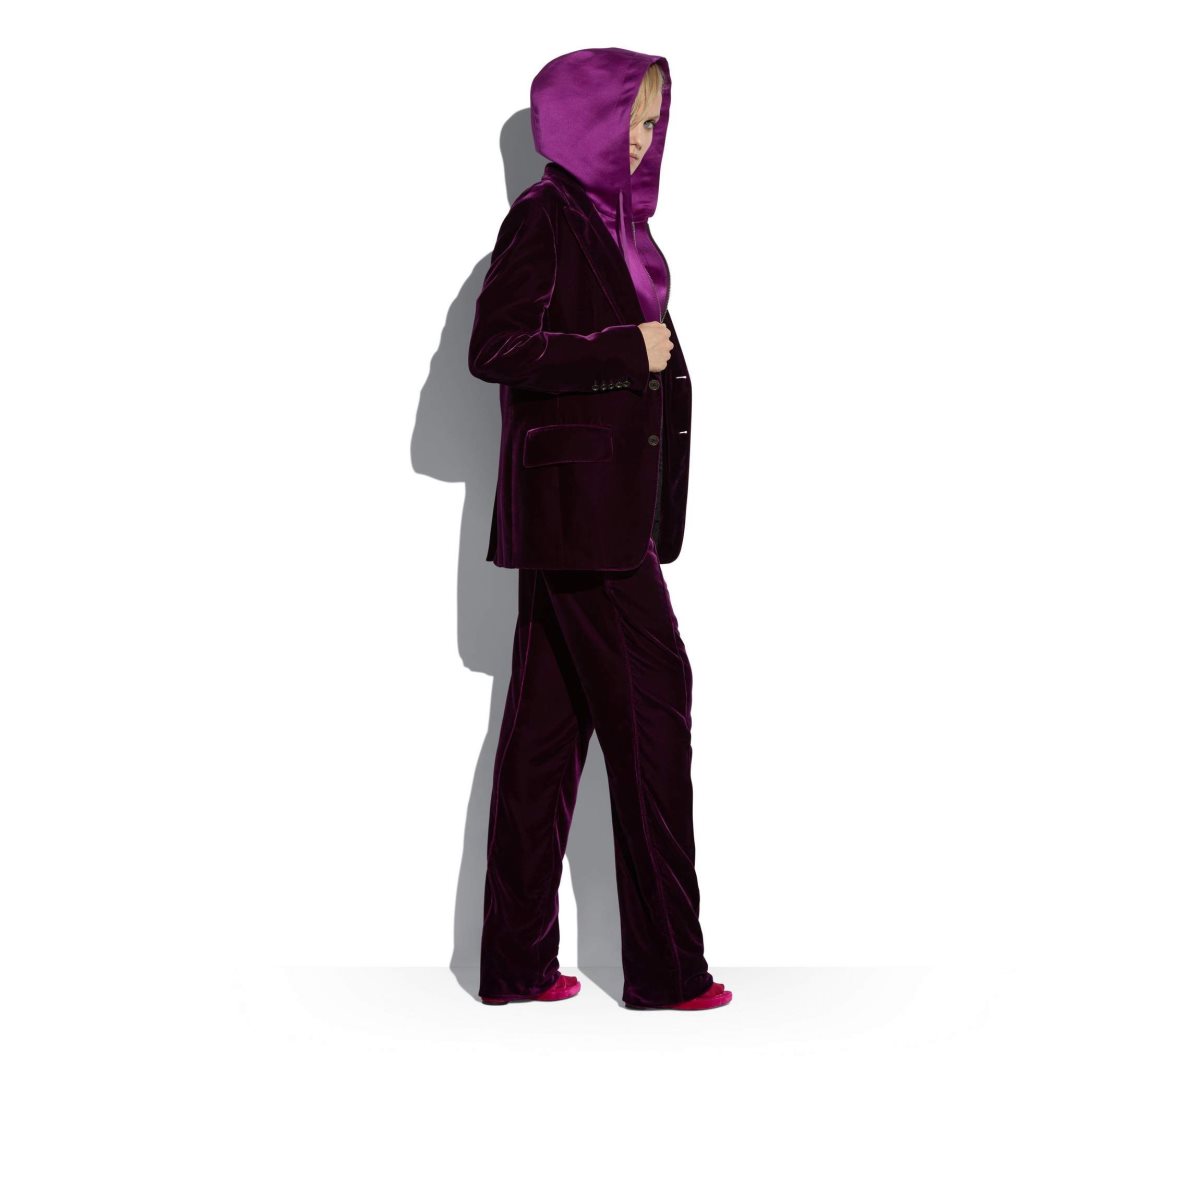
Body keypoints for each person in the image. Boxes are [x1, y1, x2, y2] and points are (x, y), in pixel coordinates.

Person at [468, 47, 731, 1011]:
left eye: (656, 122)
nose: (646, 139)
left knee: (544, 738)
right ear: (585, 119)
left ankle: (514, 964)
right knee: (655, 710)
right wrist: (625, 347)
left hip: (585, 519)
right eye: (634, 118)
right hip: (583, 523)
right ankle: (666, 970)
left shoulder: (615, 227)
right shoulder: (547, 216)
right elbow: (496, 347)